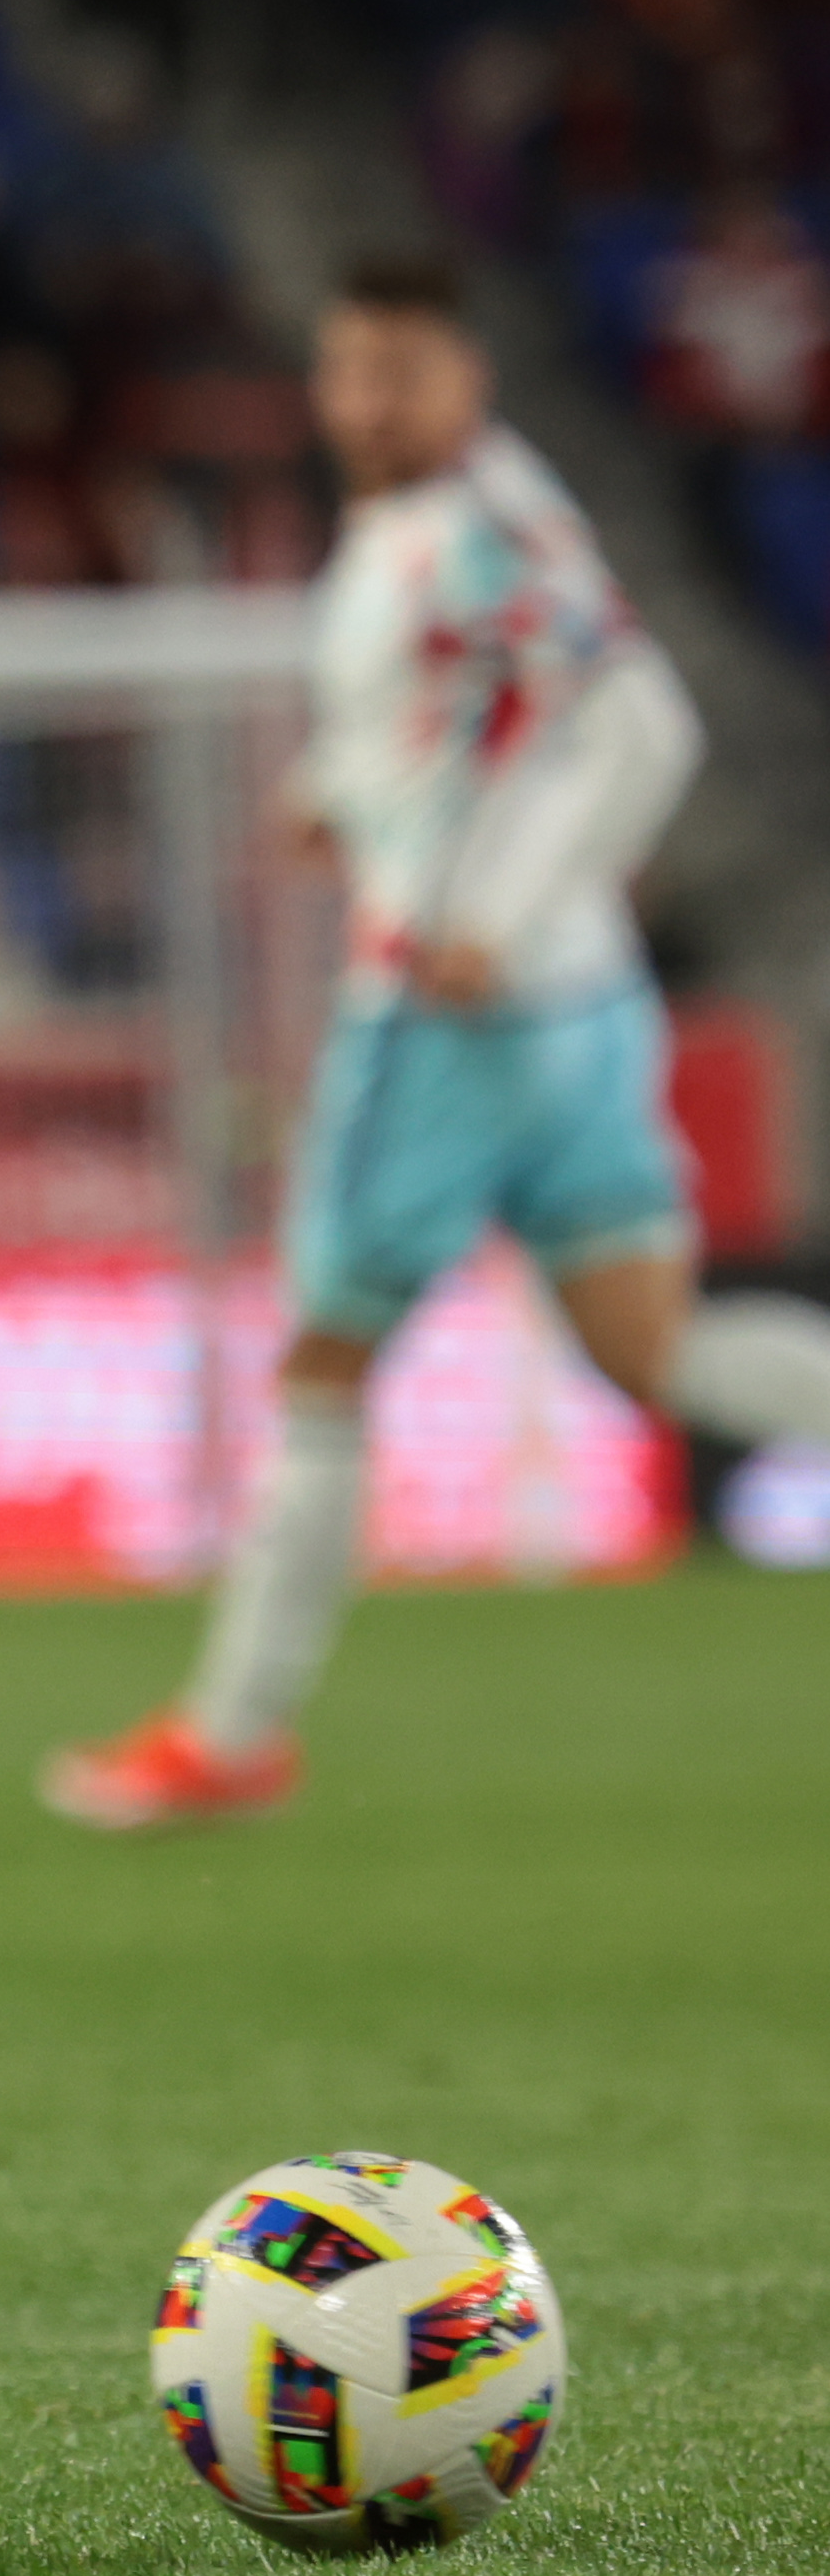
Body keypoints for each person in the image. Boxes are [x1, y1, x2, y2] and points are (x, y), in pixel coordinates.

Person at [44, 252, 830, 1827]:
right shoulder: (475, 518)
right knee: (649, 1348)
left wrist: (489, 908)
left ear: (469, 375)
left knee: (326, 1358)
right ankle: (230, 1730)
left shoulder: (468, 538)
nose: (370, 401)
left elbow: (644, 725)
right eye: (348, 370)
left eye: (402, 370)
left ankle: (233, 1731)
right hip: (583, 1011)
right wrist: (342, 800)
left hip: (448, 1021)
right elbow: (474, 730)